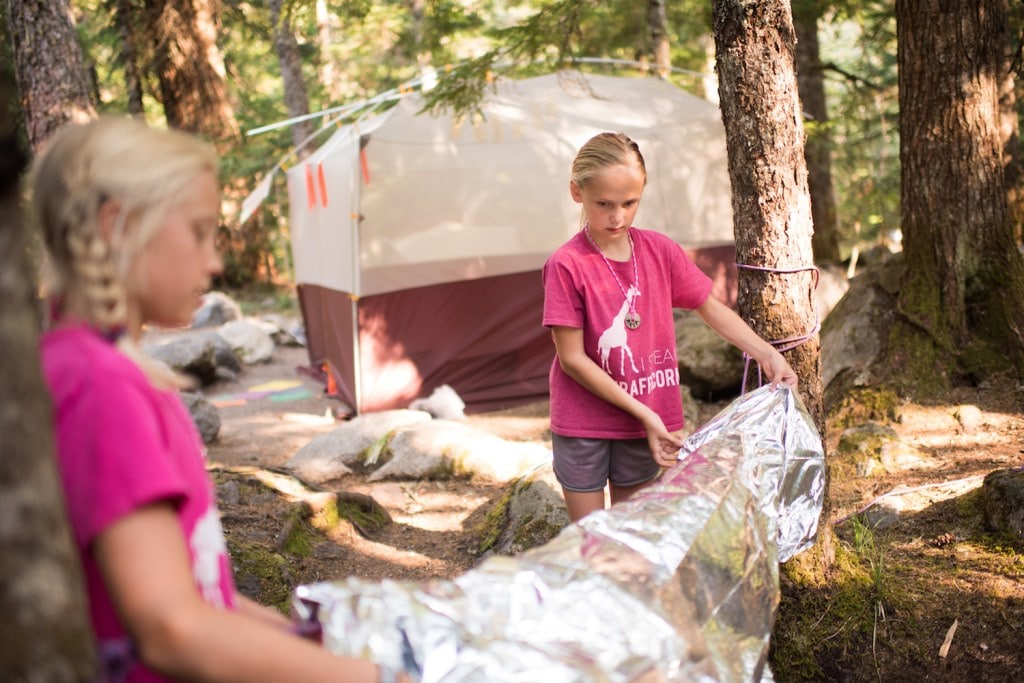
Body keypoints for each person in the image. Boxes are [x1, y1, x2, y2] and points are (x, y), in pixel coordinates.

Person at [31, 117, 412, 683]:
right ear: (118, 226)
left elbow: (205, 597)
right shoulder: (98, 384)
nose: (214, 263)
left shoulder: (97, 367)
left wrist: (312, 649)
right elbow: (171, 628)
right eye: (198, 232)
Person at [543, 131, 798, 523]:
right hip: (586, 425)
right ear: (577, 193)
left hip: (647, 422)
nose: (618, 217)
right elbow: (573, 359)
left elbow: (710, 308)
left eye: (630, 203)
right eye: (604, 204)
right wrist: (645, 415)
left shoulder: (659, 251)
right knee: (592, 541)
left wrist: (768, 354)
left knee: (634, 538)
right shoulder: (567, 264)